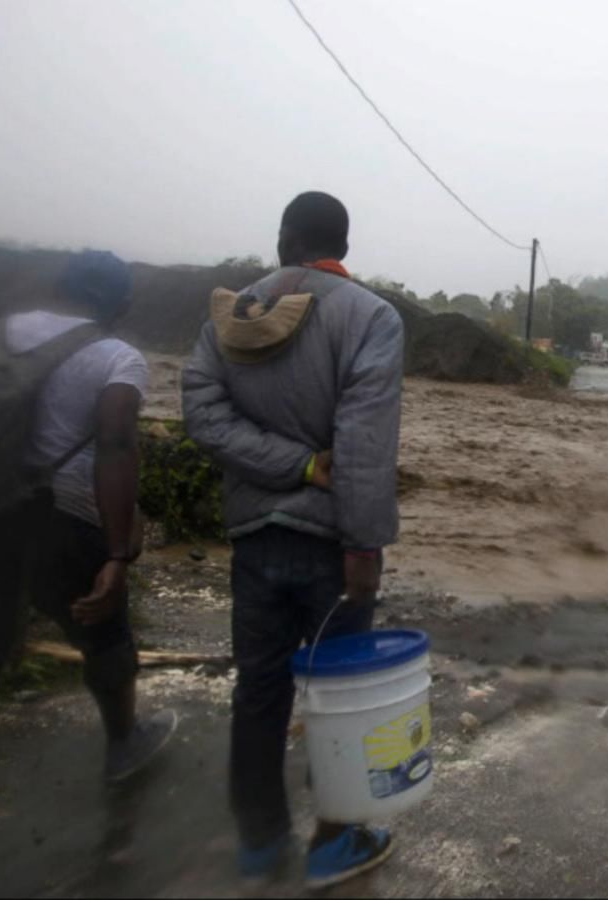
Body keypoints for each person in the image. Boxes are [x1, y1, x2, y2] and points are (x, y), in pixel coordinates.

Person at [0, 252, 177, 900]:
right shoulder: (115, 357)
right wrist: (115, 553)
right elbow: (113, 445)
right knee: (103, 634)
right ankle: (124, 742)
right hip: (62, 520)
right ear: (120, 306)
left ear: (60, 288)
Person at [182, 192, 405, 889]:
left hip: (253, 537)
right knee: (341, 698)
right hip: (332, 543)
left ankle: (259, 844)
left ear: (284, 238)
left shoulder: (229, 313)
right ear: (342, 243)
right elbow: (364, 439)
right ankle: (334, 843)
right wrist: (364, 544)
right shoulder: (371, 317)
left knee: (258, 690)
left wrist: (284, 464)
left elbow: (201, 413)